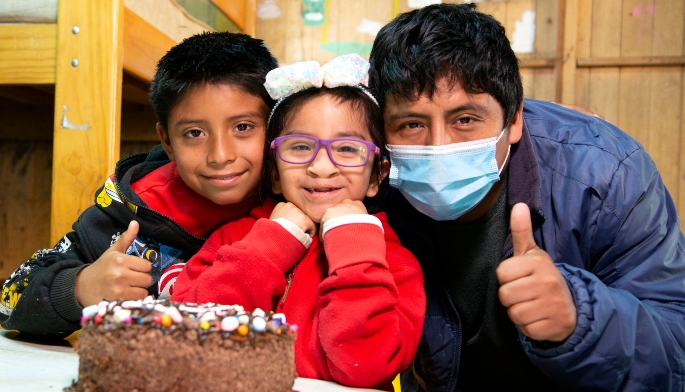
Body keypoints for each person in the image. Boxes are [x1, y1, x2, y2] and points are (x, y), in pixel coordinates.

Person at [368, 4, 685, 391]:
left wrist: (580, 319)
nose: (439, 146)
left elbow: (676, 346)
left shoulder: (605, 175)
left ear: (514, 119)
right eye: (411, 124)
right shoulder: (371, 179)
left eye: (465, 120)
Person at [165, 54, 426, 390]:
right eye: (300, 147)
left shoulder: (395, 262)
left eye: (347, 149)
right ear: (274, 173)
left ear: (378, 175)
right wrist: (270, 246)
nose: (321, 166)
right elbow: (184, 333)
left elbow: (367, 367)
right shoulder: (235, 240)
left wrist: (354, 247)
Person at [0, 32, 279, 337]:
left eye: (242, 127)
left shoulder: (298, 205)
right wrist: (82, 287)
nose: (221, 155)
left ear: (275, 126)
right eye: (195, 133)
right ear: (167, 141)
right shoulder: (127, 215)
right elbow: (10, 302)